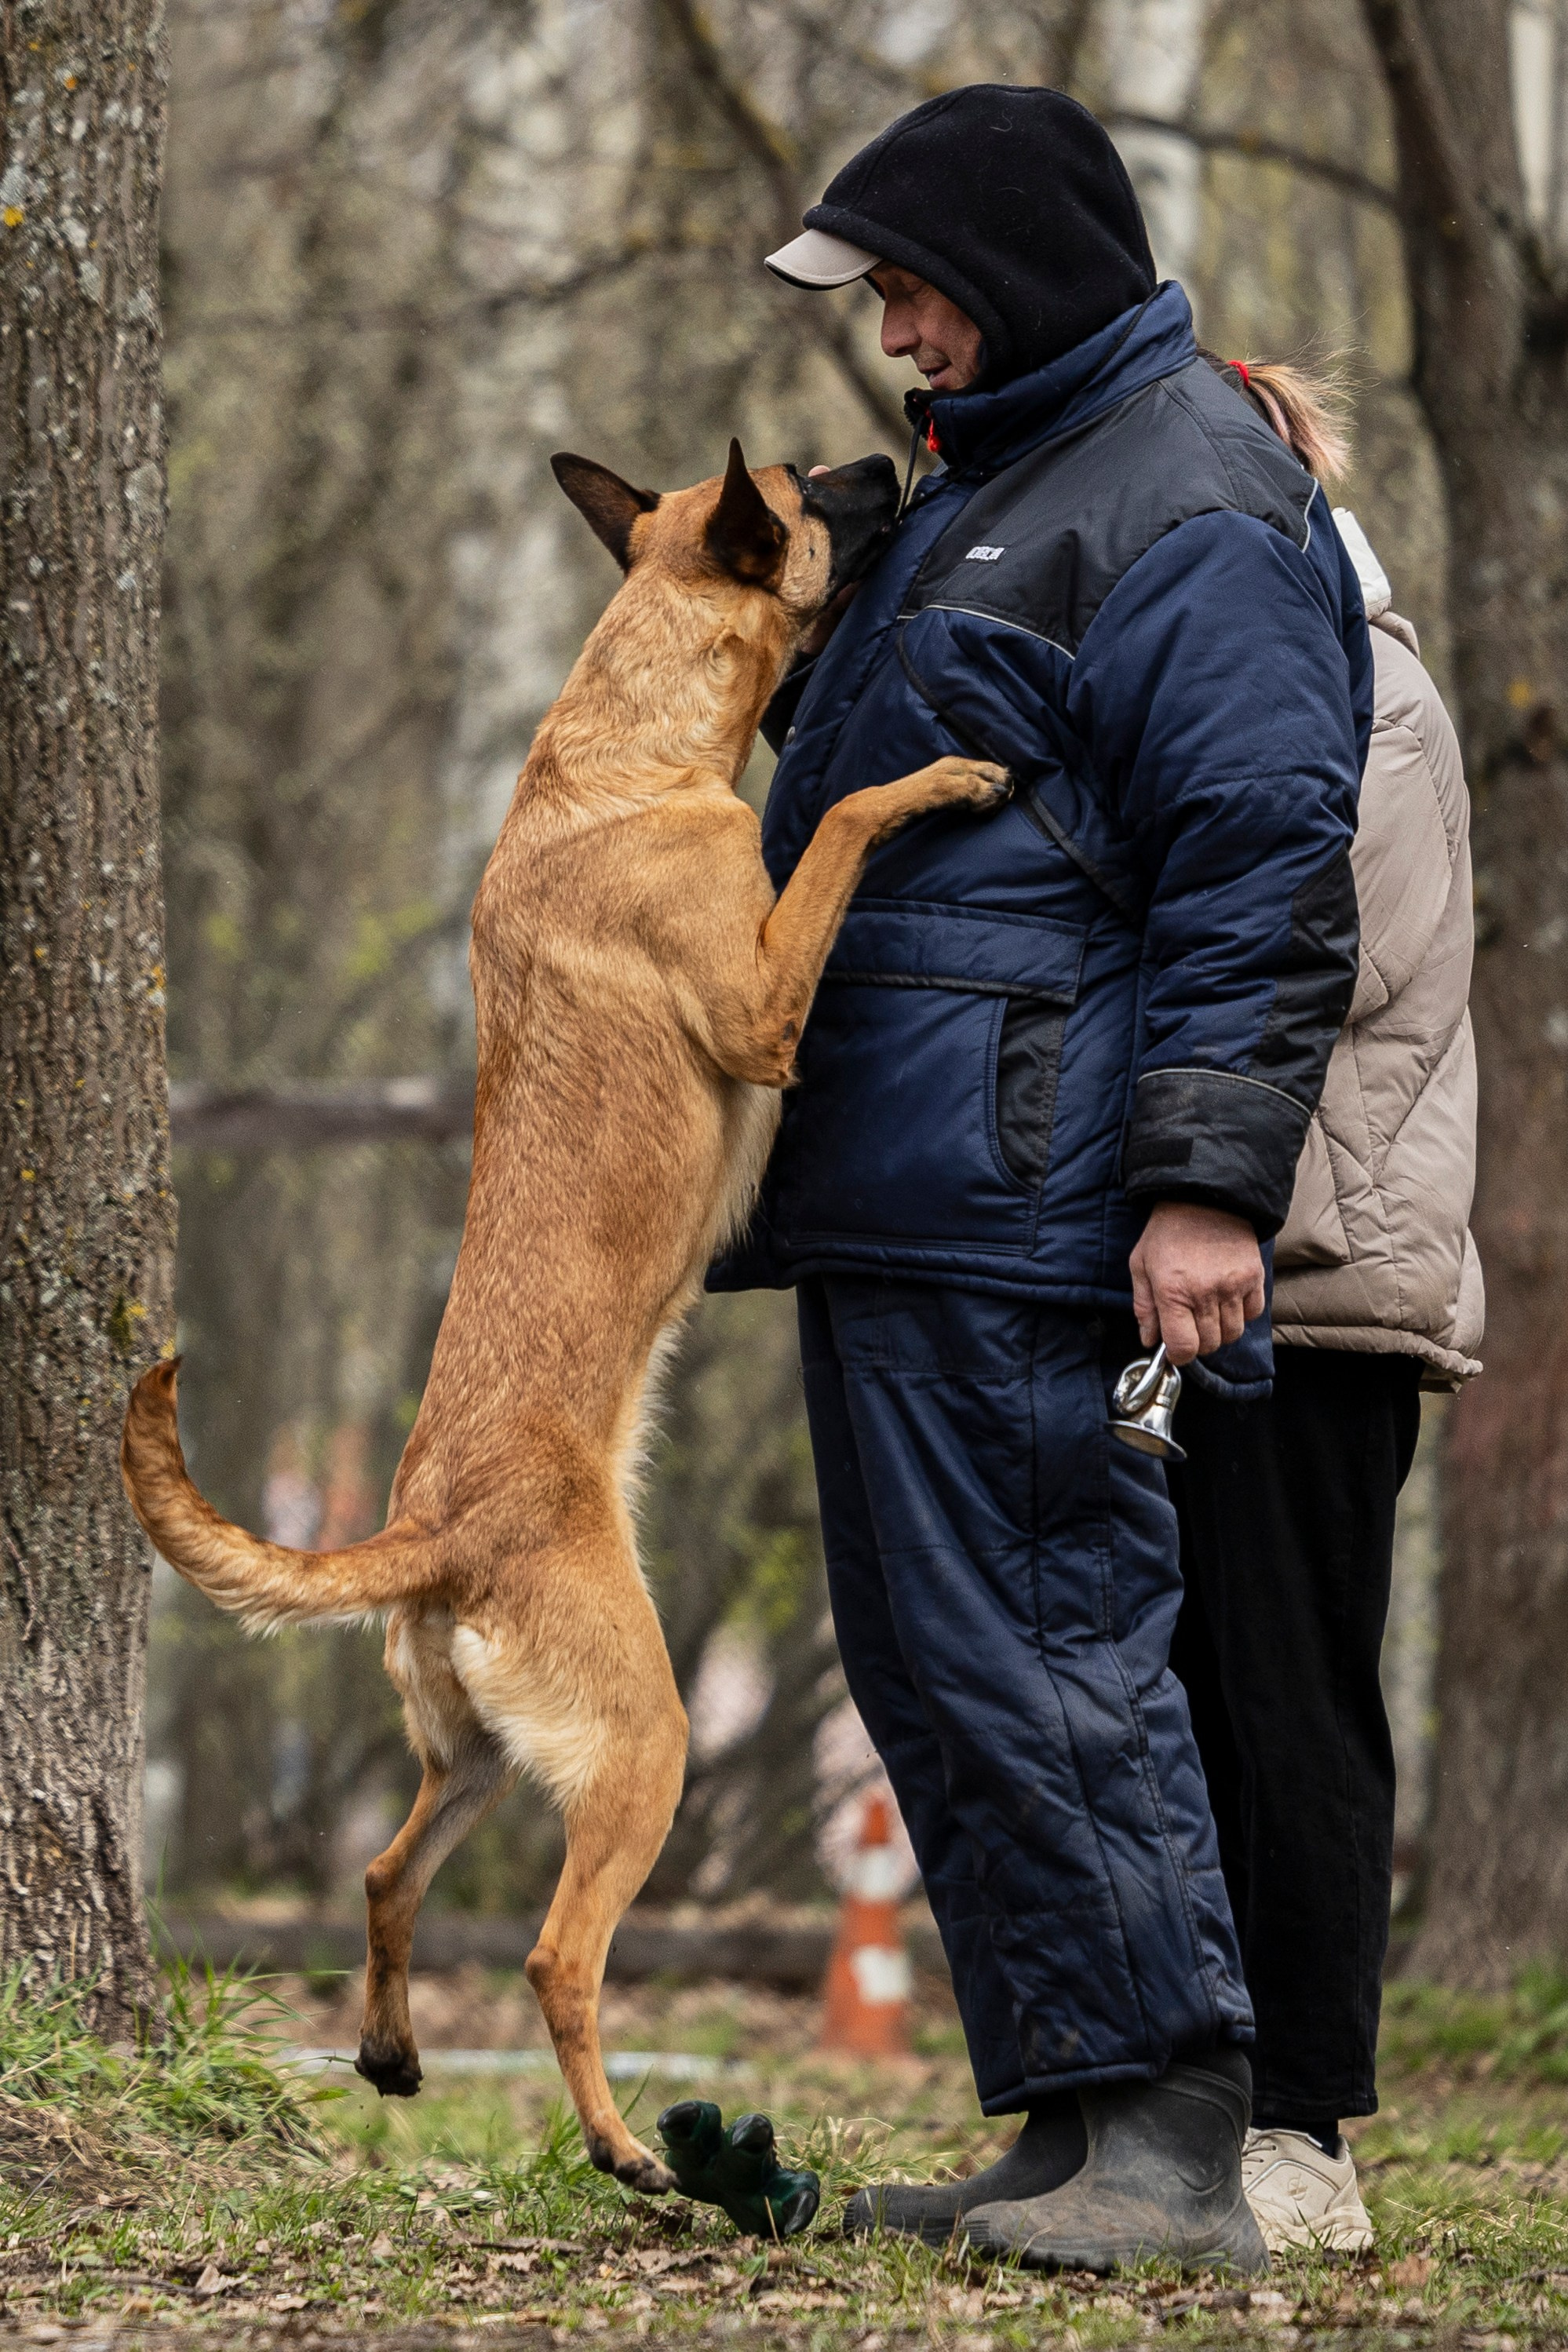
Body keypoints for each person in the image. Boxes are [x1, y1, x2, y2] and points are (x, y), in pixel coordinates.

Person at [710, 84, 1374, 2270]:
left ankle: (1174, 2134)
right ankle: (1069, 2114)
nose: (894, 333)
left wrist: (1204, 1187)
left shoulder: (1189, 493)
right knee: (938, 1662)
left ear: (1013, 271)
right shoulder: (988, 489)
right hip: (902, 1181)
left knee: (1056, 1645)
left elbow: (1260, 865)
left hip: (1037, 1195)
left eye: (913, 290)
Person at [1164, 357, 1482, 2252]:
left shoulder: (1364, 687)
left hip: (1322, 1272)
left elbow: (1299, 931)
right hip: (1223, 1266)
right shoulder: (1254, 666)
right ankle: (1193, 2106)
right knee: (1202, 1699)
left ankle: (1306, 2128)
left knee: (1291, 1703)